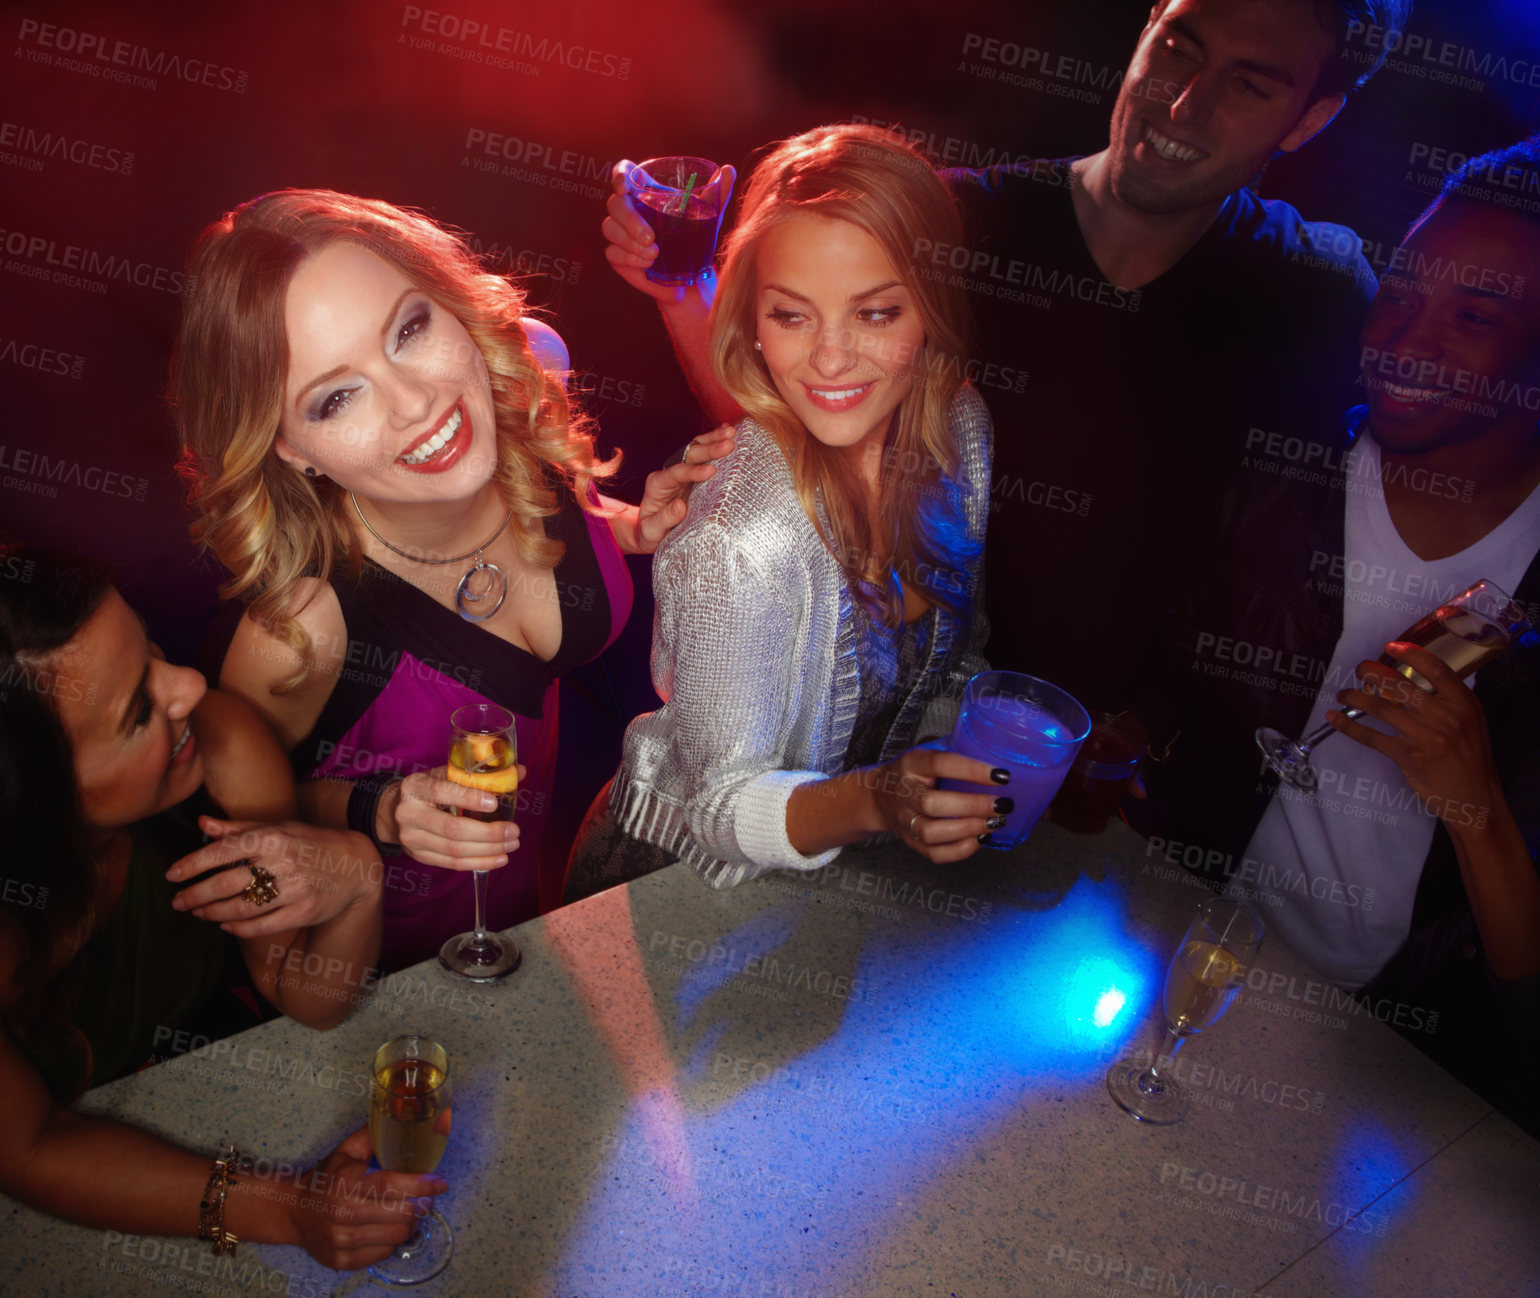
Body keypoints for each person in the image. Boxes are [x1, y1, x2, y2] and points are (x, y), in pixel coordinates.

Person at [600, 0, 1409, 712]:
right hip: (887, 748)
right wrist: (682, 291)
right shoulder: (948, 222)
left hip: (1116, 803)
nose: (1184, 103)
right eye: (1181, 48)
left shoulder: (1318, 292)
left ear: (1310, 118)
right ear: (1148, 24)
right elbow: (786, 432)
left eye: (1248, 84)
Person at [173, 189, 731, 970]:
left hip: (532, 933)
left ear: (450, 304)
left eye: (408, 329)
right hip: (388, 995)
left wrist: (635, 526)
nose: (417, 402)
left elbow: (562, 500)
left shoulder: (524, 386)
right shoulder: (298, 628)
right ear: (289, 449)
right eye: (336, 397)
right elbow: (233, 833)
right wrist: (382, 809)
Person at [1143, 138, 1540, 1128]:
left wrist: (1474, 802)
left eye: (1476, 318)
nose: (1406, 339)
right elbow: (1166, 699)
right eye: (1399, 293)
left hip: (1392, 1067)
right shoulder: (1280, 471)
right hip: (1190, 960)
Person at [564, 124, 1004, 899]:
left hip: (831, 874)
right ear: (753, 324)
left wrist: (967, 753)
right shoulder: (746, 535)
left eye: (875, 314)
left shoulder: (958, 429)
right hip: (668, 887)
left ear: (932, 306)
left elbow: (955, 649)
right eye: (792, 316)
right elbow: (715, 805)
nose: (831, 359)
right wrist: (878, 801)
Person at [0, 547, 430, 1268]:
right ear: (34, 804)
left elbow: (307, 995)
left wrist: (358, 874)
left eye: (154, 651)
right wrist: (290, 1212)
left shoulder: (220, 744)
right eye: (140, 710)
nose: (190, 684)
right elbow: (29, 1147)